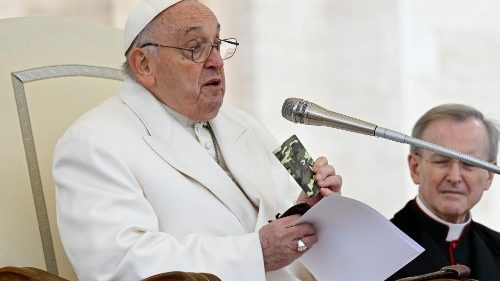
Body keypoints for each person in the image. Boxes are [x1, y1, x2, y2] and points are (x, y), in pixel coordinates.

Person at [52, 0, 342, 280]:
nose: (216, 61)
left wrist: (313, 209)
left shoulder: (246, 122)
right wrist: (256, 253)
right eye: (195, 49)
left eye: (217, 44)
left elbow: (286, 211)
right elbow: (120, 264)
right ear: (143, 65)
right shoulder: (92, 143)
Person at [387, 104, 500, 281]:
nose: (454, 177)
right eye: (441, 161)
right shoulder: (375, 248)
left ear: (489, 176)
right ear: (415, 168)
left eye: (469, 163)